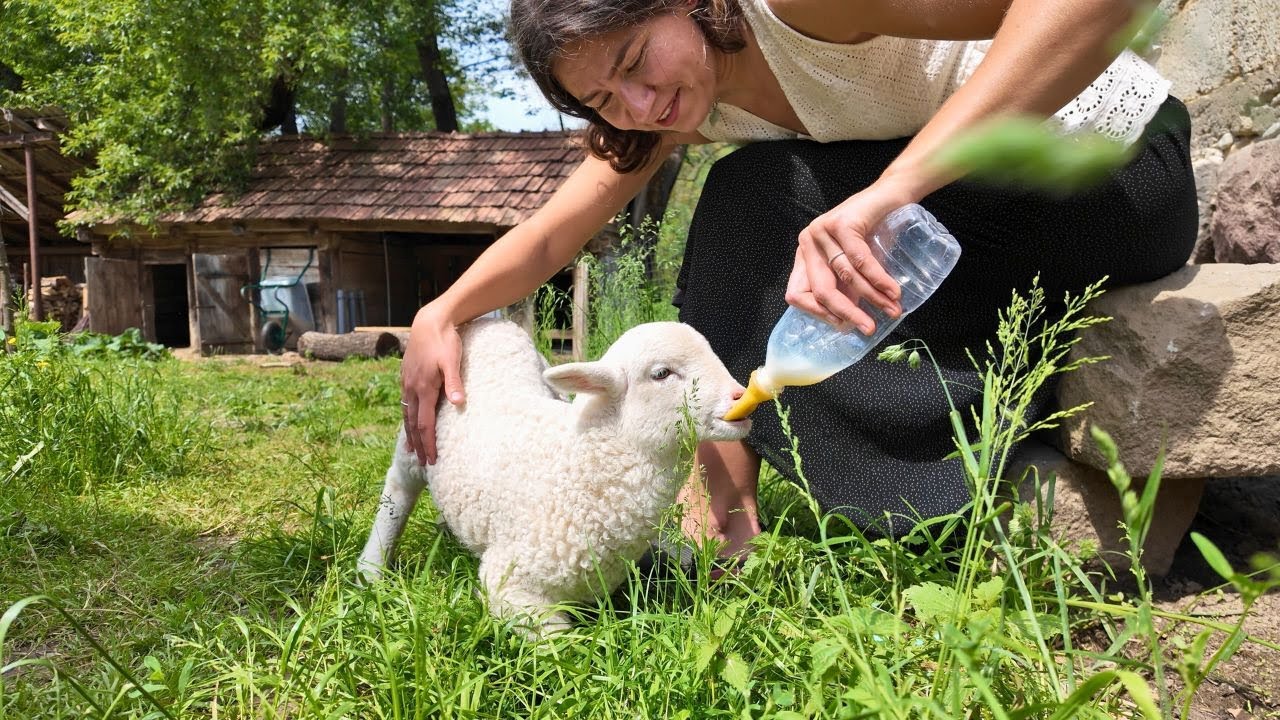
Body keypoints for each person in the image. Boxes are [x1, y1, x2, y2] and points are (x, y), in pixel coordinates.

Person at [398, 0, 1197, 561]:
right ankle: (732, 517)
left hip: (1114, 166)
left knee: (752, 196)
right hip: (988, 214)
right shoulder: (663, 112)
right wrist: (441, 313)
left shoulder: (796, 8)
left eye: (636, 61)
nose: (641, 105)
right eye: (606, 100)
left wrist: (891, 190)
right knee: (751, 195)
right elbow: (548, 234)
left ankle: (765, 506)